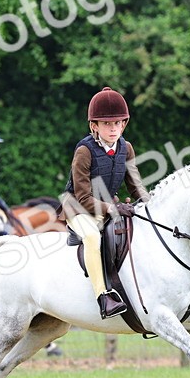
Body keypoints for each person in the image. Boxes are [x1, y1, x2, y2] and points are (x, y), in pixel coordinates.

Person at [60, 87, 150, 319]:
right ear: (95, 126)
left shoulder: (126, 148)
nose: (113, 128)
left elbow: (136, 185)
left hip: (108, 207)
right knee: (92, 237)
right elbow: (82, 197)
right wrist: (111, 208)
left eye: (118, 123)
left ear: (124, 124)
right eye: (107, 124)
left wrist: (149, 206)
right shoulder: (84, 151)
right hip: (78, 209)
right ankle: (104, 297)